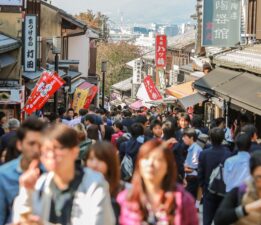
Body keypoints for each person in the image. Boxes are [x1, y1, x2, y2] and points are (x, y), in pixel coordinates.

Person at [13, 124, 115, 225]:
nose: (51, 155)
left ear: (74, 151)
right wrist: (26, 192)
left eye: (58, 148)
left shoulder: (94, 184)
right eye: (46, 150)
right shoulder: (41, 183)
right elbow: (24, 217)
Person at [117, 139, 199, 225]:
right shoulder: (126, 199)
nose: (150, 164)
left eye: (158, 159)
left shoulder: (184, 201)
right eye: (146, 158)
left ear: (168, 166)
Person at [0, 118, 45, 225]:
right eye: (31, 143)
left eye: (40, 144)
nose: (36, 149)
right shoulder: (4, 175)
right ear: (20, 145)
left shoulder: (52, 173)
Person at [214, 151, 261, 225]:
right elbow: (219, 218)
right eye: (259, 177)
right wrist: (248, 208)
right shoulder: (240, 192)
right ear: (252, 174)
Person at [198, 128, 232, 225]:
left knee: (207, 220)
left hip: (208, 190)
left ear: (210, 139)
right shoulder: (228, 154)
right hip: (223, 191)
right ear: (223, 139)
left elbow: (200, 173)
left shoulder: (204, 154)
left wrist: (203, 187)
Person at [85, 142, 122, 225]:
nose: (94, 164)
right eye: (91, 159)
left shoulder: (123, 191)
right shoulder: (79, 188)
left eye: (100, 160)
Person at [183, 128, 203, 199]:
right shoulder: (192, 148)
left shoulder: (196, 149)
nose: (183, 139)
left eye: (185, 137)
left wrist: (183, 167)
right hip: (190, 178)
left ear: (191, 138)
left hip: (193, 178)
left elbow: (193, 168)